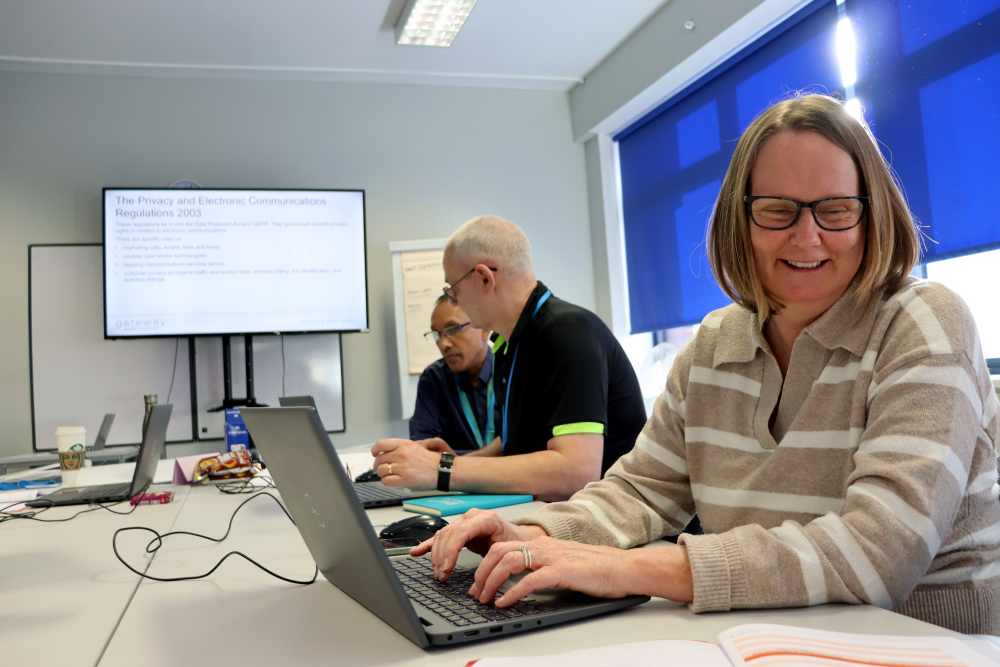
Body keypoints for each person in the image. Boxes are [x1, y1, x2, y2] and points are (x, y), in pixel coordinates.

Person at [412, 94, 1000, 635]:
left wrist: (631, 568)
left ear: (872, 216)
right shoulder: (715, 342)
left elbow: (882, 551)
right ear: (740, 219)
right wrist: (533, 534)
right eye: (777, 210)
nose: (807, 236)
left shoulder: (923, 321)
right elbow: (641, 490)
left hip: (928, 641)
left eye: (837, 210)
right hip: (767, 633)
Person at [372, 215, 648, 502]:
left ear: (485, 278)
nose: (453, 301)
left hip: (619, 518)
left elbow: (576, 473)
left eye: (453, 289)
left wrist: (441, 469)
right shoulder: (508, 345)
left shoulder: (568, 335)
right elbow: (515, 444)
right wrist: (452, 462)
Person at [409, 295, 498, 452]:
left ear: (484, 329)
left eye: (453, 329)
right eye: (436, 334)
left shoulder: (514, 371)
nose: (443, 344)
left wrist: (455, 460)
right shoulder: (434, 379)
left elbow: (526, 445)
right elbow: (422, 451)